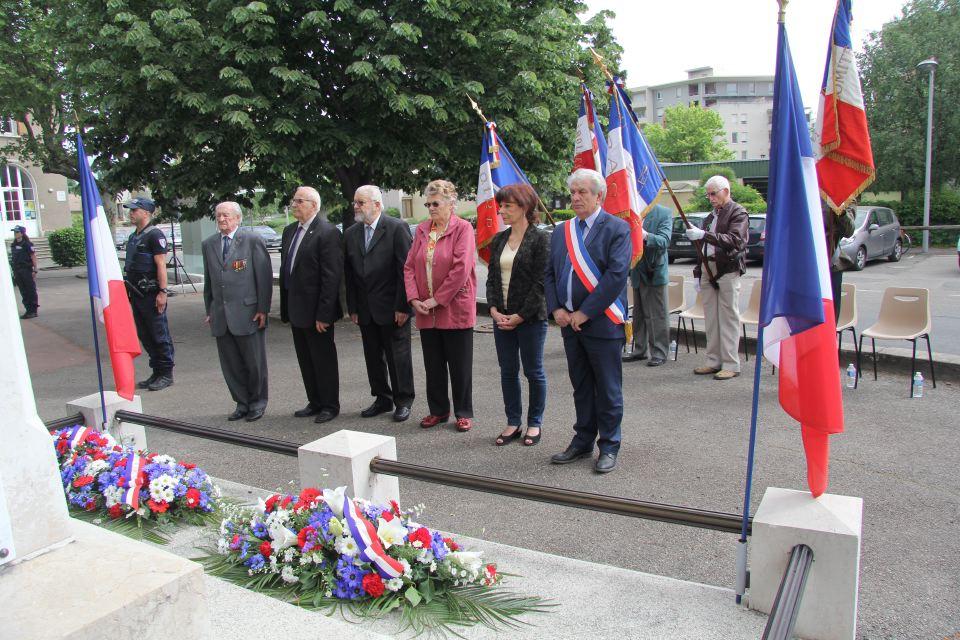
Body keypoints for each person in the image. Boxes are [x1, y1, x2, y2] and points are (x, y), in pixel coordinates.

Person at [545, 168, 631, 474]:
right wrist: (556, 309)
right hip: (569, 324)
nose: (576, 197)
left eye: (583, 192)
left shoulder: (617, 229)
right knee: (580, 386)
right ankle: (582, 439)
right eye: (573, 192)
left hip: (602, 322)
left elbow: (616, 276)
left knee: (607, 388)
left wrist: (585, 312)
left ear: (599, 196)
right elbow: (551, 274)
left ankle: (609, 445)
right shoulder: (561, 231)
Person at [404, 179, 477, 432]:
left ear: (450, 204)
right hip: (425, 310)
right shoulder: (423, 230)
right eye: (428, 203)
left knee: (459, 365)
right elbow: (410, 267)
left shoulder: (463, 229)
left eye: (436, 203)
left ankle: (463, 412)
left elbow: (461, 268)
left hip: (454, 307)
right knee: (433, 364)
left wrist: (437, 299)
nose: (431, 208)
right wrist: (414, 299)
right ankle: (438, 410)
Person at [344, 185, 415, 423]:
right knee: (373, 357)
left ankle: (403, 401)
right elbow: (350, 274)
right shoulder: (352, 233)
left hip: (392, 307)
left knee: (398, 357)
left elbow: (405, 271)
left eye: (361, 202)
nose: (356, 207)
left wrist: (404, 306)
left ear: (376, 204)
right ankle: (382, 398)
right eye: (355, 202)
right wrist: (352, 307)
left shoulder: (396, 228)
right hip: (365, 309)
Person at [485, 183, 549, 447]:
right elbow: (491, 279)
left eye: (508, 206)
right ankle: (513, 422)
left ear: (524, 207)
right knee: (508, 371)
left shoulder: (541, 239)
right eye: (501, 205)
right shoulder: (499, 239)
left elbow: (541, 283)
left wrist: (520, 316)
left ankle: (534, 423)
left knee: (533, 371)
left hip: (531, 319)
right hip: (502, 318)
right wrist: (493, 310)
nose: (501, 211)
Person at [202, 202, 272, 422]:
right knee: (231, 364)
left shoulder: (251, 241)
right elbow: (209, 282)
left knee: (254, 363)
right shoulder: (209, 244)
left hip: (248, 312)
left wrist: (263, 309)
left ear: (238, 218)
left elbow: (264, 277)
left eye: (226, 216)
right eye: (218, 216)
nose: (222, 219)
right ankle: (241, 402)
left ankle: (258, 402)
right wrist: (210, 309)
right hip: (221, 314)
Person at [280, 186, 343, 424]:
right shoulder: (289, 231)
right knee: (305, 358)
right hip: (296, 309)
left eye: (299, 201)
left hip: (318, 311)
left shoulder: (327, 233)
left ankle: (329, 404)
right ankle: (314, 400)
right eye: (293, 200)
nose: (294, 205)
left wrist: (324, 314)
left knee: (323, 359)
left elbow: (331, 277)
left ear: (314, 205)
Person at [683, 175, 749, 380]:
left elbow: (735, 241)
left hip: (727, 268)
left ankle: (731, 363)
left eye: (714, 193)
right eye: (708, 194)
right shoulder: (710, 217)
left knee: (728, 317)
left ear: (726, 192)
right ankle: (713, 360)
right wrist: (697, 273)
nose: (710, 198)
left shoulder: (738, 212)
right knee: (711, 317)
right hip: (707, 267)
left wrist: (704, 235)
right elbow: (701, 249)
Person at [123, 196, 175, 391]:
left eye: (134, 210)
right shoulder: (134, 236)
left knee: (159, 334)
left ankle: (166, 373)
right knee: (145, 334)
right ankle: (156, 370)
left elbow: (161, 264)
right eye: (130, 210)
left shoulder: (155, 235)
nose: (131, 213)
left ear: (146, 212)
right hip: (136, 293)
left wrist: (163, 292)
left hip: (152, 293)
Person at [622, 203, 673, 366]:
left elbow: (664, 241)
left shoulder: (663, 212)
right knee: (639, 315)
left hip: (654, 271)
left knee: (657, 315)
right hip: (637, 271)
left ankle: (659, 352)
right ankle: (640, 349)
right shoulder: (632, 214)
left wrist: (645, 235)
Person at [823, 201, 855, 323]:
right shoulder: (807, 190)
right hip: (803, 266)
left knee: (829, 320)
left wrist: (840, 211)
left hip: (830, 265)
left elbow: (849, 230)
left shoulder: (843, 196)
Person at [9, 225, 38, 319]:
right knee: (23, 291)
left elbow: (33, 256)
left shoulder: (27, 244)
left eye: (17, 232)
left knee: (30, 290)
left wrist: (35, 269)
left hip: (26, 270)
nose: (15, 234)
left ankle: (33, 311)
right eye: (14, 232)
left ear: (22, 233)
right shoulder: (13, 245)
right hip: (17, 271)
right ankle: (28, 310)